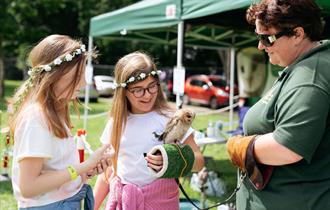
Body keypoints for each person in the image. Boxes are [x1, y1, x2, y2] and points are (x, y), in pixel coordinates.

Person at [226, 0, 330, 209]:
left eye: (267, 38)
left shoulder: (310, 76)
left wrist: (241, 146)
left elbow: (288, 147)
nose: (260, 46)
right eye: (259, 37)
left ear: (298, 34)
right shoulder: (303, 65)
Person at [9, 34, 113, 210]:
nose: (85, 82)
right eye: (79, 75)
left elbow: (54, 171)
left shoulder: (53, 113)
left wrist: (86, 170)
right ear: (57, 75)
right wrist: (82, 167)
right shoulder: (36, 118)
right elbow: (28, 187)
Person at [93, 51, 205, 210]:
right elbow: (108, 171)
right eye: (138, 90)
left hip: (161, 203)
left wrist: (172, 159)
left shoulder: (171, 118)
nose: (147, 95)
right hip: (124, 204)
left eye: (152, 87)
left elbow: (199, 161)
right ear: (123, 91)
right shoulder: (117, 123)